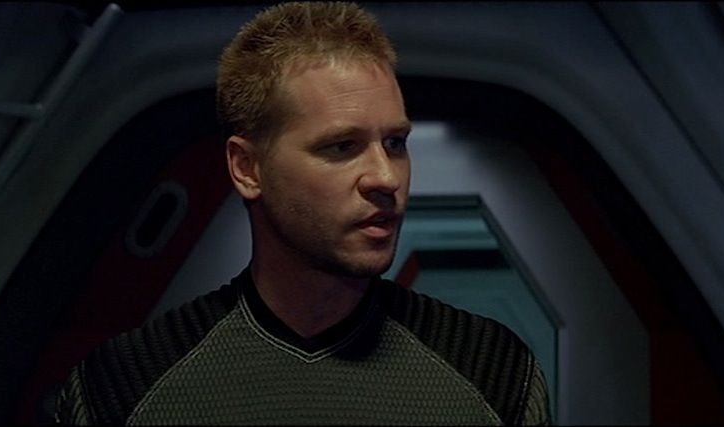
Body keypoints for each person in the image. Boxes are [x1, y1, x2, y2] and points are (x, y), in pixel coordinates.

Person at [52, 2, 550, 425]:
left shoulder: (492, 372)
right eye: (342, 147)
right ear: (247, 168)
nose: (386, 177)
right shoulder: (123, 388)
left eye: (395, 143)